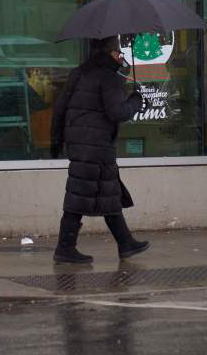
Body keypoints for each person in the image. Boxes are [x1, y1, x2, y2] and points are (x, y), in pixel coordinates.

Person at [49, 36, 149, 264]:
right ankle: (65, 248)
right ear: (111, 53)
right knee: (83, 196)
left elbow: (60, 108)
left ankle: (125, 243)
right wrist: (137, 100)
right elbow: (117, 112)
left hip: (80, 143)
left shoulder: (78, 73)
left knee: (106, 193)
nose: (121, 56)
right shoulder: (108, 77)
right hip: (96, 145)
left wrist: (56, 141)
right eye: (118, 52)